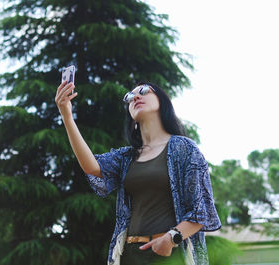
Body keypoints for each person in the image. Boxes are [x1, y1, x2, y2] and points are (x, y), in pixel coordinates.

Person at [55, 80, 221, 265]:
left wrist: (171, 238)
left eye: (143, 91)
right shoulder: (127, 156)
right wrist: (67, 116)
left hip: (169, 254)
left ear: (162, 101)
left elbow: (201, 211)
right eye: (130, 97)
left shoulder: (184, 148)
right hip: (129, 254)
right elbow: (92, 166)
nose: (136, 97)